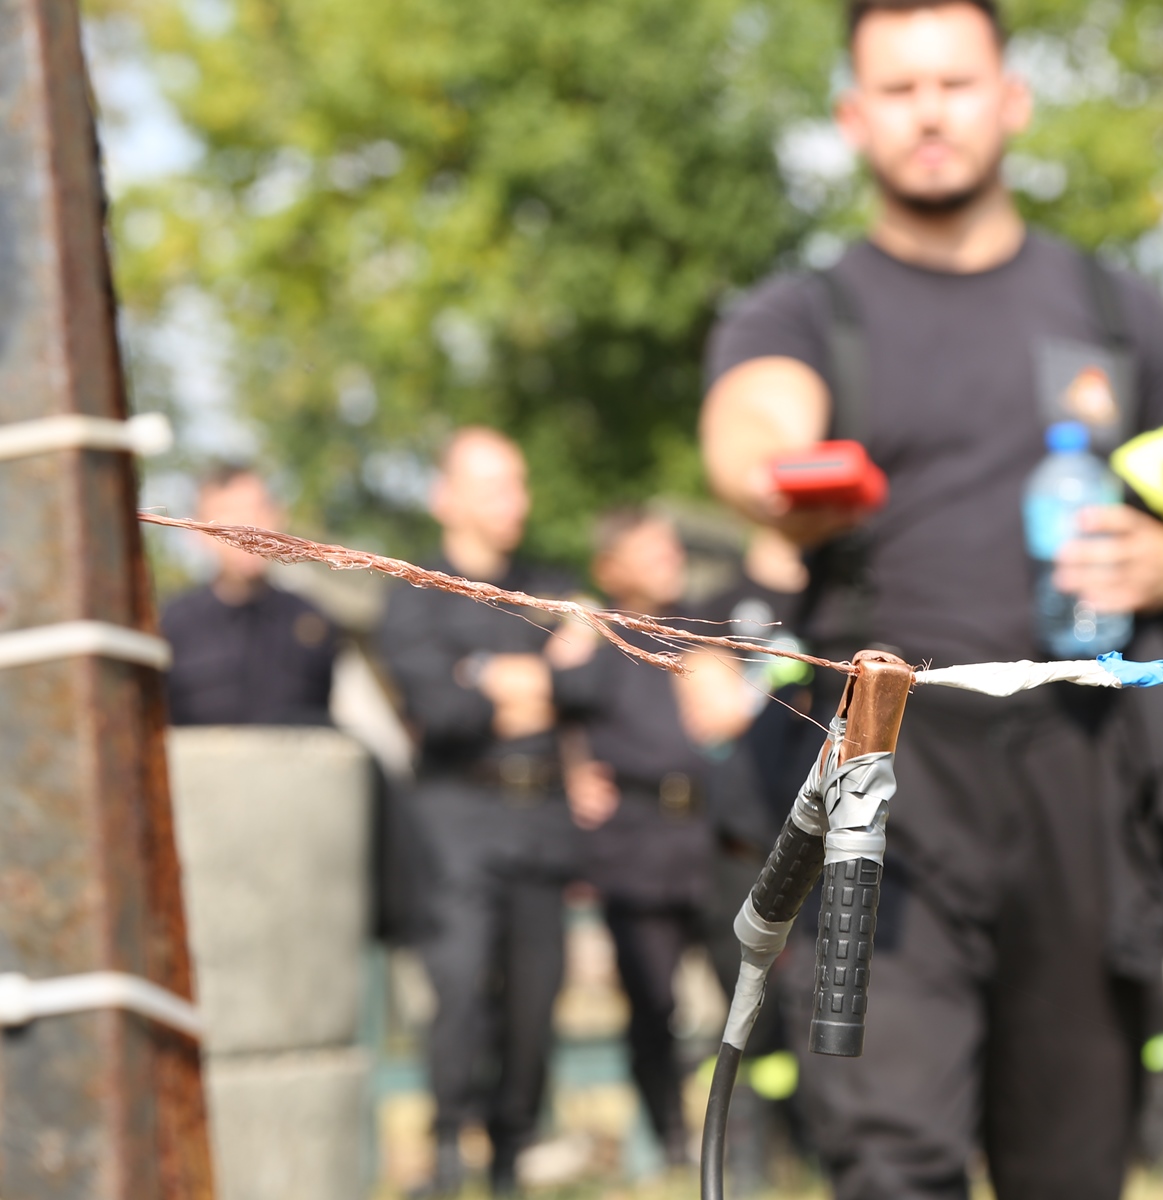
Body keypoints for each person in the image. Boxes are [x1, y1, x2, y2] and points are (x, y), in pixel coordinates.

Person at [699, 1, 1163, 1194]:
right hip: (882, 787)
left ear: (1012, 100)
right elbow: (752, 427)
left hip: (1086, 771)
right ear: (853, 119)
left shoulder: (1120, 315)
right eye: (898, 91)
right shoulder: (807, 312)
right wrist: (781, 480)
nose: (931, 112)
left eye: (955, 82)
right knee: (889, 1154)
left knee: (1075, 1163)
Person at [377, 428, 610, 1197]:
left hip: (541, 816)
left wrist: (497, 678)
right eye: (496, 485)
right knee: (461, 989)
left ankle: (512, 1159)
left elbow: (593, 686)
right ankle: (447, 1155)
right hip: (455, 817)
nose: (518, 502)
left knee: (536, 1001)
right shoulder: (414, 589)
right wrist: (540, 676)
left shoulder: (549, 584)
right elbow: (436, 709)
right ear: (446, 496)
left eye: (520, 483)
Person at [565, 508, 743, 1168]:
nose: (668, 557)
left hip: (713, 834)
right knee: (652, 1003)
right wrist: (568, 770)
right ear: (610, 567)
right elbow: (554, 708)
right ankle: (670, 1143)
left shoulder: (710, 625)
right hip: (634, 841)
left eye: (670, 545)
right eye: (649, 549)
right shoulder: (593, 633)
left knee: (749, 988)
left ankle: (762, 1139)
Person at [162, 464, 337, 726]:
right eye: (229, 516)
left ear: (279, 517)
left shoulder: (311, 621)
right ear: (198, 531)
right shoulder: (171, 626)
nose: (249, 530)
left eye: (258, 511)